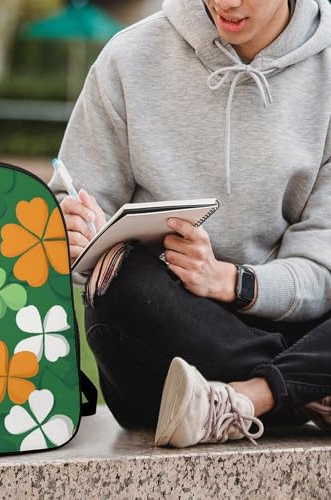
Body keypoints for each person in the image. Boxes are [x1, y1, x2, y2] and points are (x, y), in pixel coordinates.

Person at [48, 0, 331, 448]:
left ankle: (251, 397)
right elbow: (69, 208)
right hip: (162, 349)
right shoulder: (129, 57)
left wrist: (232, 281)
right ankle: (308, 388)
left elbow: (323, 267)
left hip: (286, 324)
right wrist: (71, 232)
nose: (227, 3)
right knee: (118, 275)